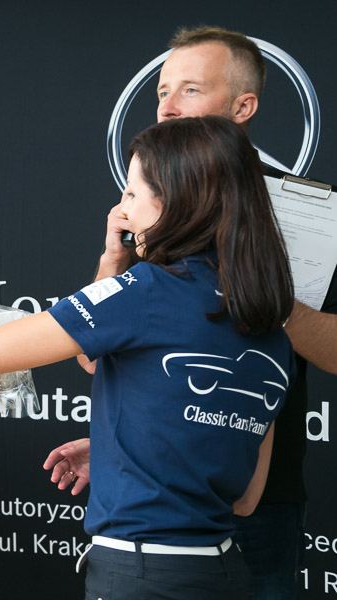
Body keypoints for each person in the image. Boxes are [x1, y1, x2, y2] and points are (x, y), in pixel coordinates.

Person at [0, 115, 295, 599]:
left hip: (143, 576)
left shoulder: (148, 291)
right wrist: (123, 455)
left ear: (176, 202)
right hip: (223, 573)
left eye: (132, 194)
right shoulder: (269, 328)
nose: (122, 210)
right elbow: (244, 498)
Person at [43, 26, 337, 599]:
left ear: (243, 107)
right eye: (162, 91)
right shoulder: (154, 201)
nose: (168, 107)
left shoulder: (310, 216)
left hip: (258, 495)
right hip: (160, 499)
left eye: (191, 90)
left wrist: (259, 293)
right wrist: (113, 260)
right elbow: (92, 357)